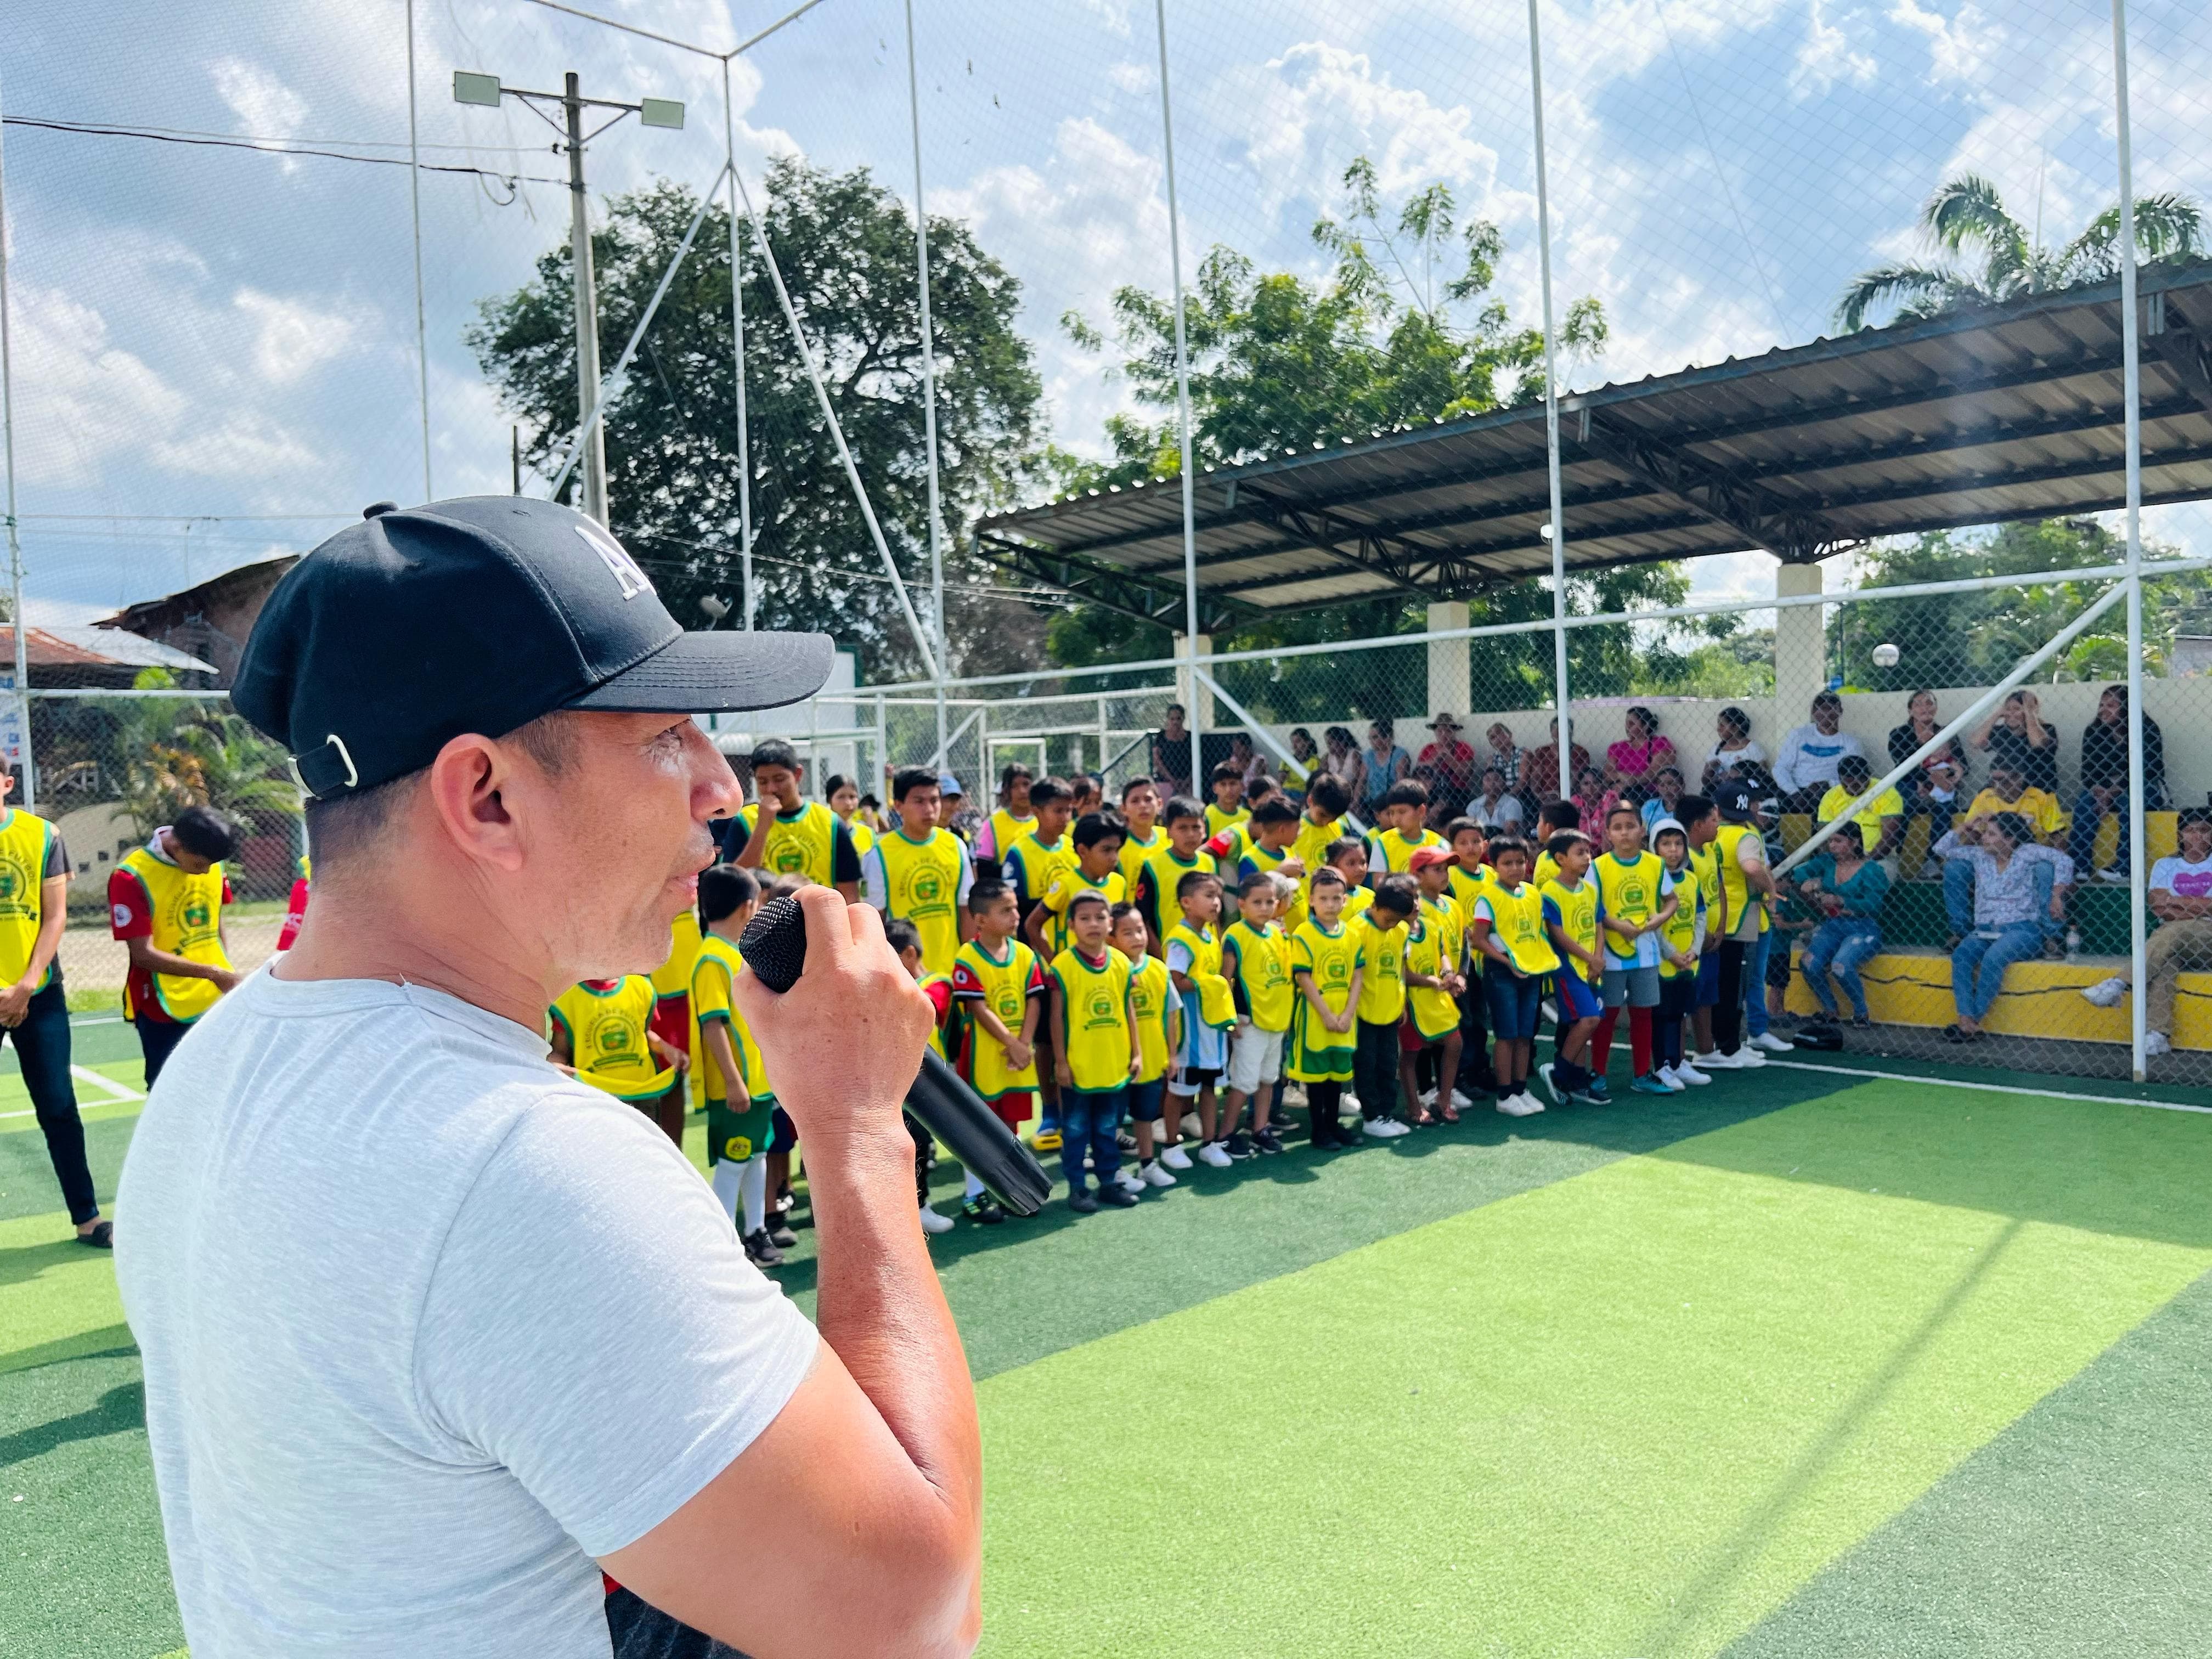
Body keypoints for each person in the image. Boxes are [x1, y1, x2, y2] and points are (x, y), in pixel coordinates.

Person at [119, 497, 981, 1658]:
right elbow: (914, 1617)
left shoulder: (223, 1060)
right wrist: (860, 1126)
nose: (723, 789)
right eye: (664, 734)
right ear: (487, 797)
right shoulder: (521, 1166)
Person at [0, 776, 102, 1246]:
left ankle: (88, 1218)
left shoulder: (43, 834)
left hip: (38, 992)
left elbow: (55, 915)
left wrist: (25, 984)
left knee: (59, 1106)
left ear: (7, 783)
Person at [692, 864, 787, 1265]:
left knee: (755, 1157)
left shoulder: (734, 954)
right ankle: (725, 1247)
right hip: (739, 1087)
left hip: (759, 1083)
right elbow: (713, 1024)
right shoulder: (712, 958)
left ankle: (755, 1231)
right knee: (734, 1163)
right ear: (749, 907)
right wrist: (733, 1082)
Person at [111, 804, 241, 1089]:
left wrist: (224, 970)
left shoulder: (210, 861)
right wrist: (214, 973)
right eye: (199, 864)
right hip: (162, 1004)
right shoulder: (131, 876)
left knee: (221, 1086)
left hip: (214, 996)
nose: (206, 872)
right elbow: (143, 955)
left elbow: (214, 921)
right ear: (177, 845)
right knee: (169, 1091)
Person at [950, 878, 1045, 1224]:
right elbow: (978, 1008)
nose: (1015, 916)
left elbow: (1034, 1000)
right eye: (1005, 910)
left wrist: (1024, 1043)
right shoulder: (967, 957)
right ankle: (974, 1195)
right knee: (978, 1127)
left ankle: (1011, 1191)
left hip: (1017, 1057)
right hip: (984, 1058)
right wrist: (1012, 1043)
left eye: (1015, 908)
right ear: (980, 920)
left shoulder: (1025, 954)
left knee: (1010, 1126)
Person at [2082, 808, 2212, 1057]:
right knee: (2166, 961)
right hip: (2176, 938)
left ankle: (2120, 983)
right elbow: (2159, 907)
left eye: (2204, 830)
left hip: (2207, 938)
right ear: (2180, 835)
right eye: (2190, 830)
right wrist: (2199, 906)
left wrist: (2174, 900)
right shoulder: (2165, 865)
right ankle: (2158, 1035)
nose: (2197, 836)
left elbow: (2170, 905)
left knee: (2173, 930)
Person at [1046, 890, 1142, 1214]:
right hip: (1079, 1066)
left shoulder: (1121, 963)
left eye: (1100, 917)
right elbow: (1056, 1018)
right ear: (1071, 925)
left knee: (1107, 1130)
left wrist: (1137, 1053)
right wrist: (1061, 1062)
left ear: (1110, 923)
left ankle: (1109, 1183)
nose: (1093, 924)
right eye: (1084, 918)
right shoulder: (1063, 966)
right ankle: (1077, 1188)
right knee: (1075, 1132)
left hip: (1113, 1063)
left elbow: (1128, 1009)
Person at [1933, 810, 2066, 1041]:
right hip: (1985, 928)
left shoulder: (2026, 853)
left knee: (1993, 959)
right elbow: (1940, 849)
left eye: (1992, 834)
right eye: (1986, 833)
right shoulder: (1979, 855)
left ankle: (1969, 1022)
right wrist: (1965, 827)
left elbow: (2064, 860)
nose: (1984, 838)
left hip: (2022, 929)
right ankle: (1967, 1020)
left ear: (2010, 839)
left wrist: (2056, 895)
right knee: (1961, 957)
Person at [1592, 804, 1679, 1097]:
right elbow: (1592, 908)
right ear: (1607, 834)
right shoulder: (1598, 867)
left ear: (1642, 830)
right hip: (1610, 955)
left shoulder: (1655, 865)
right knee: (1607, 1015)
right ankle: (1598, 1074)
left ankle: (1642, 1074)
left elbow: (1671, 899)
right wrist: (1617, 925)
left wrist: (1659, 919)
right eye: (1617, 828)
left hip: (1647, 953)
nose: (1625, 833)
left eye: (1630, 826)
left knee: (1643, 1014)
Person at [884, 917, 962, 1235]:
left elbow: (922, 1011)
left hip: (925, 1084)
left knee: (918, 1145)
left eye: (888, 955)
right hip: (892, 1082)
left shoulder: (938, 984)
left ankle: (919, 1207)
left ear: (910, 955)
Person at [863, 765, 975, 978]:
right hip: (906, 978)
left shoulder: (956, 846)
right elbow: (875, 920)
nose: (930, 809)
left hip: (950, 974)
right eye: (919, 801)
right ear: (898, 806)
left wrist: (969, 968)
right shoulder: (880, 855)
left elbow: (966, 911)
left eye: (934, 800)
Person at [1467, 836, 1550, 1118]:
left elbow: (1537, 933)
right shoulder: (1488, 897)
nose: (1515, 868)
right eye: (1507, 863)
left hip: (1530, 969)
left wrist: (1536, 962)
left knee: (1526, 1034)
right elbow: (1479, 940)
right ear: (1494, 865)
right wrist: (1508, 962)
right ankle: (1505, 1095)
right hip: (1501, 971)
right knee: (1507, 1034)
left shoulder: (1532, 893)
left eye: (1520, 862)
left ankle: (1520, 1089)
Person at [548, 970, 689, 1136]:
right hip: (597, 1095)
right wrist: (554, 1067)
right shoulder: (568, 998)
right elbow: (560, 1050)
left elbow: (642, 1033)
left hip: (643, 1092)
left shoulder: (639, 987)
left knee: (645, 1144)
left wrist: (668, 1050)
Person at [728, 739, 862, 900]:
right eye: (763, 782)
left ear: (798, 774)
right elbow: (734, 887)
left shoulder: (830, 823)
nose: (771, 788)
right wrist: (762, 828)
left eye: (780, 779)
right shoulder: (744, 821)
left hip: (816, 913)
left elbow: (849, 891)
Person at [1704, 780, 1779, 1069]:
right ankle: (1729, 1046)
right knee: (1735, 987)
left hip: (1715, 913)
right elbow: (1751, 867)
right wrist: (1769, 889)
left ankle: (1725, 1043)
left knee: (1722, 985)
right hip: (1741, 916)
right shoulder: (1746, 835)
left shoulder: (1712, 834)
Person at [1164, 870, 1235, 1165]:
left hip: (1211, 1032)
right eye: (1209, 896)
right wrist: (1212, 983)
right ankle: (1170, 1146)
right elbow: (1174, 981)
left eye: (1218, 896)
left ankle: (1210, 1142)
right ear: (1186, 902)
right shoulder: (1180, 939)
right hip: (1188, 1034)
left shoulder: (1210, 935)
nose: (1216, 902)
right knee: (1178, 1091)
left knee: (1210, 1088)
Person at [1220, 871, 1294, 1156]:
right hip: (1249, 1022)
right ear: (1242, 905)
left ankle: (1260, 1129)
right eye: (1257, 902)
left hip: (1276, 1020)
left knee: (1268, 1079)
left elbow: (1284, 977)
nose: (1265, 908)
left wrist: (1285, 1017)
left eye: (1270, 902)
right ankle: (1225, 1135)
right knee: (1244, 1082)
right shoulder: (1236, 935)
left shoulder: (1276, 933)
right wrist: (1231, 1019)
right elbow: (1225, 981)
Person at [1288, 868, 1362, 1148]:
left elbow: (1358, 976)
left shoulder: (1351, 934)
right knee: (1316, 1077)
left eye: (1336, 898)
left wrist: (1348, 1013)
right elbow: (1303, 978)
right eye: (1323, 898)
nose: (1330, 904)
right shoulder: (1304, 933)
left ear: (1345, 900)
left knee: (1336, 1076)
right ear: (1311, 900)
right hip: (1315, 1017)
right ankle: (1319, 1131)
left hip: (1344, 1017)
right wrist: (1328, 1015)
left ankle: (1333, 1125)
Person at [1790, 822, 1889, 1029]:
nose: (1832, 845)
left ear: (1854, 842)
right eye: (1830, 841)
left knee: (1840, 965)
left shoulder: (1871, 870)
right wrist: (1812, 882)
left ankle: (1861, 1013)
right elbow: (1798, 873)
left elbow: (1875, 905)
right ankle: (1830, 1010)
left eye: (1838, 841)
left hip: (1862, 927)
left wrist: (1841, 901)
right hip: (1833, 925)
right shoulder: (1827, 862)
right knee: (1808, 963)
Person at [1537, 832, 1609, 1106]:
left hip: (1591, 968)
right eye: (1580, 853)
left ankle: (1578, 1082)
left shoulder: (1590, 890)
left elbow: (1598, 926)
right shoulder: (1550, 892)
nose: (1588, 858)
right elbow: (1558, 935)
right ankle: (1558, 1072)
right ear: (1560, 858)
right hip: (1569, 969)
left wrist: (1597, 958)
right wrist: (1590, 959)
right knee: (1589, 1019)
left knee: (1584, 1024)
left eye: (1588, 852)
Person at [1113, 902, 1182, 1184]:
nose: (1137, 937)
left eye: (1140, 930)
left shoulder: (1159, 969)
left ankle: (1147, 1164)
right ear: (1111, 938)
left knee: (1145, 1116)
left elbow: (1171, 1014)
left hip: (1153, 1059)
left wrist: (1173, 1055)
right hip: (1118, 1061)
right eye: (1127, 933)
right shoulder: (1111, 970)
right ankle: (1113, 1170)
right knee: (1112, 1118)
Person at [2072, 684, 2166, 882]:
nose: (2103, 710)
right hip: (2103, 791)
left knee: (2129, 801)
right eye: (2102, 705)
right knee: (2084, 803)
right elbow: (2088, 772)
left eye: (2112, 705)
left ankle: (2125, 868)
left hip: (2140, 788)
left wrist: (2112, 792)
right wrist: (2100, 792)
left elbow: (2150, 769)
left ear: (2126, 707)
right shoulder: (2094, 732)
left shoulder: (2147, 730)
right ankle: (2080, 866)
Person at [1401, 847, 1467, 1124]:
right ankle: (1414, 1106)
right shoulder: (1399, 929)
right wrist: (1430, 980)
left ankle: (1444, 1099)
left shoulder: (1440, 915)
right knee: (1411, 1053)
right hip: (1410, 1000)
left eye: (1446, 869)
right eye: (1437, 869)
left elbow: (1446, 950)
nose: (1444, 874)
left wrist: (1451, 973)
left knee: (1455, 1041)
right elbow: (1400, 972)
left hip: (1436, 993)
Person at [1350, 875, 1418, 1136]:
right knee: (1366, 1064)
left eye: (1398, 921)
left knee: (1389, 1063)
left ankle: (1386, 1113)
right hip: (1363, 1011)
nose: (1392, 925)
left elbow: (1400, 968)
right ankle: (1372, 1116)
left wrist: (1403, 1003)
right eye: (1388, 919)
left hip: (1391, 1009)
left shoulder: (1400, 931)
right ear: (1375, 906)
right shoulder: (1356, 930)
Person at [1648, 819, 1707, 1088]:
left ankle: (1678, 1062)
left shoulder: (1692, 880)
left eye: (1678, 844)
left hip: (1688, 962)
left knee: (1680, 1014)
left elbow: (1700, 917)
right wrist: (1671, 954)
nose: (1673, 850)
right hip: (1664, 963)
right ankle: (1661, 1066)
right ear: (1655, 847)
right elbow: (1652, 922)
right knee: (1663, 1016)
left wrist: (1694, 950)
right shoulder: (1653, 880)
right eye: (1666, 844)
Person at [1029, 812, 1128, 962]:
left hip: (1106, 971)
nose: (1114, 858)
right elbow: (1033, 924)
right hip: (1072, 972)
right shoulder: (1066, 884)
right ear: (1083, 851)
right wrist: (1053, 962)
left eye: (1117, 850)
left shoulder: (1119, 883)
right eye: (1106, 850)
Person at [1131, 794, 1213, 955]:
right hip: (1169, 956)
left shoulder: (1209, 863)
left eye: (1196, 827)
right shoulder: (1153, 866)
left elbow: (1215, 917)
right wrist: (1162, 959)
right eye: (1183, 828)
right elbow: (1144, 920)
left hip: (1205, 956)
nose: (1190, 834)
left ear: (1204, 830)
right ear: (1168, 832)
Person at [1774, 692, 1866, 815]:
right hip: (1797, 791)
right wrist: (1794, 793)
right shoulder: (1799, 735)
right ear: (1813, 712)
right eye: (1822, 708)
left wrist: (1828, 784)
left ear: (1840, 711)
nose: (1826, 713)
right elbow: (1780, 768)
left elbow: (1858, 777)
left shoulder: (1850, 743)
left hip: (1833, 792)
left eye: (1832, 708)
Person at [1886, 690, 1968, 823]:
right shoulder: (1900, 734)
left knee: (1945, 810)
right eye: (1918, 704)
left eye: (1929, 703)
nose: (1925, 708)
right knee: (1905, 802)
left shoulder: (1947, 733)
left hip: (1944, 783)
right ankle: (1899, 836)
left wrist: (1946, 777)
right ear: (1910, 711)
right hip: (1912, 782)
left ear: (1936, 709)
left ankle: (1939, 838)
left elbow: (1963, 764)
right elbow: (1903, 764)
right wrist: (1930, 778)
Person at [1815, 754, 1904, 864]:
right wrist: (1831, 861)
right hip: (1839, 856)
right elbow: (1822, 837)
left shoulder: (1886, 792)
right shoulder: (1831, 796)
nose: (1850, 788)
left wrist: (1864, 863)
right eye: (1846, 785)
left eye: (1856, 785)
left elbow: (1889, 837)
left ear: (1867, 777)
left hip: (1876, 857)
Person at [1969, 689, 2058, 795]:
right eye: (2008, 709)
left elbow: (2038, 744)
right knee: (1984, 795)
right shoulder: (2001, 731)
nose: (2011, 713)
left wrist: (2030, 712)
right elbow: (1975, 742)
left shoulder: (2047, 729)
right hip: (2003, 788)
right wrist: (1997, 714)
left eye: (2017, 709)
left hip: (2037, 788)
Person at [1367, 778, 1445, 878]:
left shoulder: (1439, 845)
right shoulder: (1383, 843)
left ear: (1421, 811)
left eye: (1402, 812)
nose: (1396, 819)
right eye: (1392, 813)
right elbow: (1379, 883)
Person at [1520, 716, 1589, 805]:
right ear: (1551, 732)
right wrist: (1539, 796)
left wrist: (1559, 796)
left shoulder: (1580, 753)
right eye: (1555, 729)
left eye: (1563, 728)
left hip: (1570, 798)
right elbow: (1535, 778)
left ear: (1571, 732)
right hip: (1543, 798)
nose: (1558, 732)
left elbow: (1576, 779)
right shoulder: (1542, 752)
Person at [1606, 706, 1675, 790]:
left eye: (1632, 723)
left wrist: (1631, 781)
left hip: (1647, 791)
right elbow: (1607, 773)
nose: (1627, 727)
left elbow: (1654, 772)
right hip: (1620, 789)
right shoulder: (1618, 747)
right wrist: (1619, 776)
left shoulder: (1659, 744)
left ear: (1646, 726)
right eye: (1626, 724)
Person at [1114, 777, 1165, 888]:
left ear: (1160, 804)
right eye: (1135, 801)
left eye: (1148, 800)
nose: (1143, 805)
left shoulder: (1169, 837)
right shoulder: (1117, 845)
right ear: (1124, 809)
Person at [1418, 713, 1477, 804]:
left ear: (1454, 732)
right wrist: (1436, 760)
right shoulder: (1429, 748)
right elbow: (1419, 771)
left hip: (1457, 792)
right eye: (1440, 731)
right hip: (1432, 790)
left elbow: (1466, 776)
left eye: (1448, 731)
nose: (1444, 734)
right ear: (1435, 732)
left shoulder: (1463, 747)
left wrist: (1448, 758)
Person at [1702, 706, 1765, 788]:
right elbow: (1705, 781)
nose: (1718, 729)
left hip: (1745, 791)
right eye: (1719, 725)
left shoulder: (1752, 748)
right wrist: (1710, 770)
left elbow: (1763, 776)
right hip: (1720, 792)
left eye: (1722, 725)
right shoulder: (1716, 749)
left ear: (1736, 727)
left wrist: (1738, 775)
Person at [1361, 719, 1413, 816]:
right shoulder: (1369, 756)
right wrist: (1355, 802)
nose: (1371, 741)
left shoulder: (1400, 755)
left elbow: (1401, 784)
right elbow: (1361, 781)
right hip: (1372, 802)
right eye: (1370, 738)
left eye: (1375, 737)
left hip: (1391, 801)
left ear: (1387, 738)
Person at [826, 774, 875, 859]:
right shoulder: (822, 834)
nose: (848, 803)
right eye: (841, 797)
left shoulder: (868, 834)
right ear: (829, 800)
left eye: (852, 797)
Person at [1205, 758, 1251, 842]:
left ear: (1242, 787)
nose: (1228, 790)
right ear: (1215, 788)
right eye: (1223, 785)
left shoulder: (1248, 817)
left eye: (1233, 784)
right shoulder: (1206, 816)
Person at [1151, 703, 1193, 795]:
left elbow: (1196, 761)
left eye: (1178, 719)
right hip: (1165, 780)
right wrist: (1172, 780)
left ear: (1183, 719)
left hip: (1188, 782)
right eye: (1172, 719)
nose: (1175, 722)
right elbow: (1157, 760)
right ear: (1168, 719)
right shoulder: (1161, 737)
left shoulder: (1190, 737)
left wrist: (1187, 781)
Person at [1322, 724, 1366, 805]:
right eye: (1328, 744)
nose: (1329, 747)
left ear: (1341, 742)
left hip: (1352, 793)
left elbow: (1356, 780)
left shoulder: (1354, 755)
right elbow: (1321, 776)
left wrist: (1342, 791)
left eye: (1331, 743)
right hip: (1333, 793)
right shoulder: (1327, 758)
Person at [1570, 765, 1618, 838]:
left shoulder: (1609, 799)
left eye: (1595, 783)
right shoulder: (1576, 803)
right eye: (1586, 784)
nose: (1591, 789)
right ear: (1579, 788)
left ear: (1602, 786)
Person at [1472, 765, 1524, 831]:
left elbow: (1509, 831)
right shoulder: (1474, 805)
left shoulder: (1513, 804)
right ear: (1482, 784)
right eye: (1488, 780)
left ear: (1504, 784)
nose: (1492, 783)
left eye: (1497, 780)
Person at [1637, 766, 1684, 837]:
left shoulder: (1687, 808)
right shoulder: (1651, 805)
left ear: (1682, 786)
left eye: (1671, 784)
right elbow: (1643, 831)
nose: (1666, 788)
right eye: (1662, 785)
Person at [938, 773, 983, 845]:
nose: (950, 805)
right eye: (945, 799)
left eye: (955, 799)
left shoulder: (961, 837)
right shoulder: (923, 835)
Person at [1484, 722, 1524, 798]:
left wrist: (1506, 799)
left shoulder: (1523, 754)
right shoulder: (1491, 760)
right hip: (1497, 796)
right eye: (1493, 738)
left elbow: (1523, 782)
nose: (1497, 738)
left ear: (1510, 735)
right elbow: (1488, 783)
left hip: (1521, 795)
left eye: (1499, 733)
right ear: (1491, 744)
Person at [1280, 726, 1321, 798]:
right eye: (1292, 742)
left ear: (1307, 743)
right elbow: (1281, 780)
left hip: (1303, 792)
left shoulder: (1314, 761)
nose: (1294, 746)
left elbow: (1314, 781)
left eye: (1298, 742)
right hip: (1286, 790)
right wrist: (1283, 776)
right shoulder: (1287, 759)